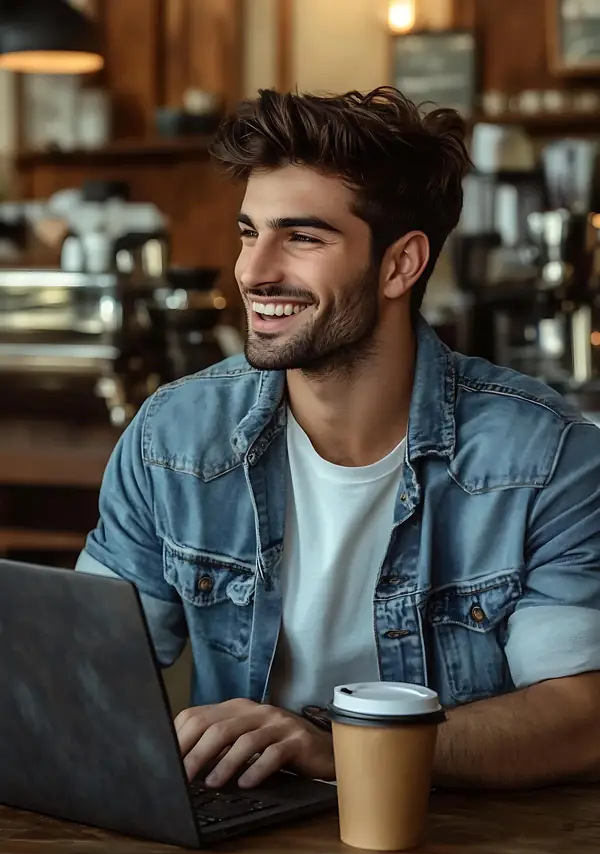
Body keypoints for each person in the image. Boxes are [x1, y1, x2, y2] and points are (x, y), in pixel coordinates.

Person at [77, 87, 600, 793]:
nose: (254, 272)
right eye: (247, 232)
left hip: (457, 853)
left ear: (399, 265)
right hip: (240, 846)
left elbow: (579, 718)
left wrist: (345, 751)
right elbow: (88, 671)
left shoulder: (546, 456)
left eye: (301, 237)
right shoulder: (172, 438)